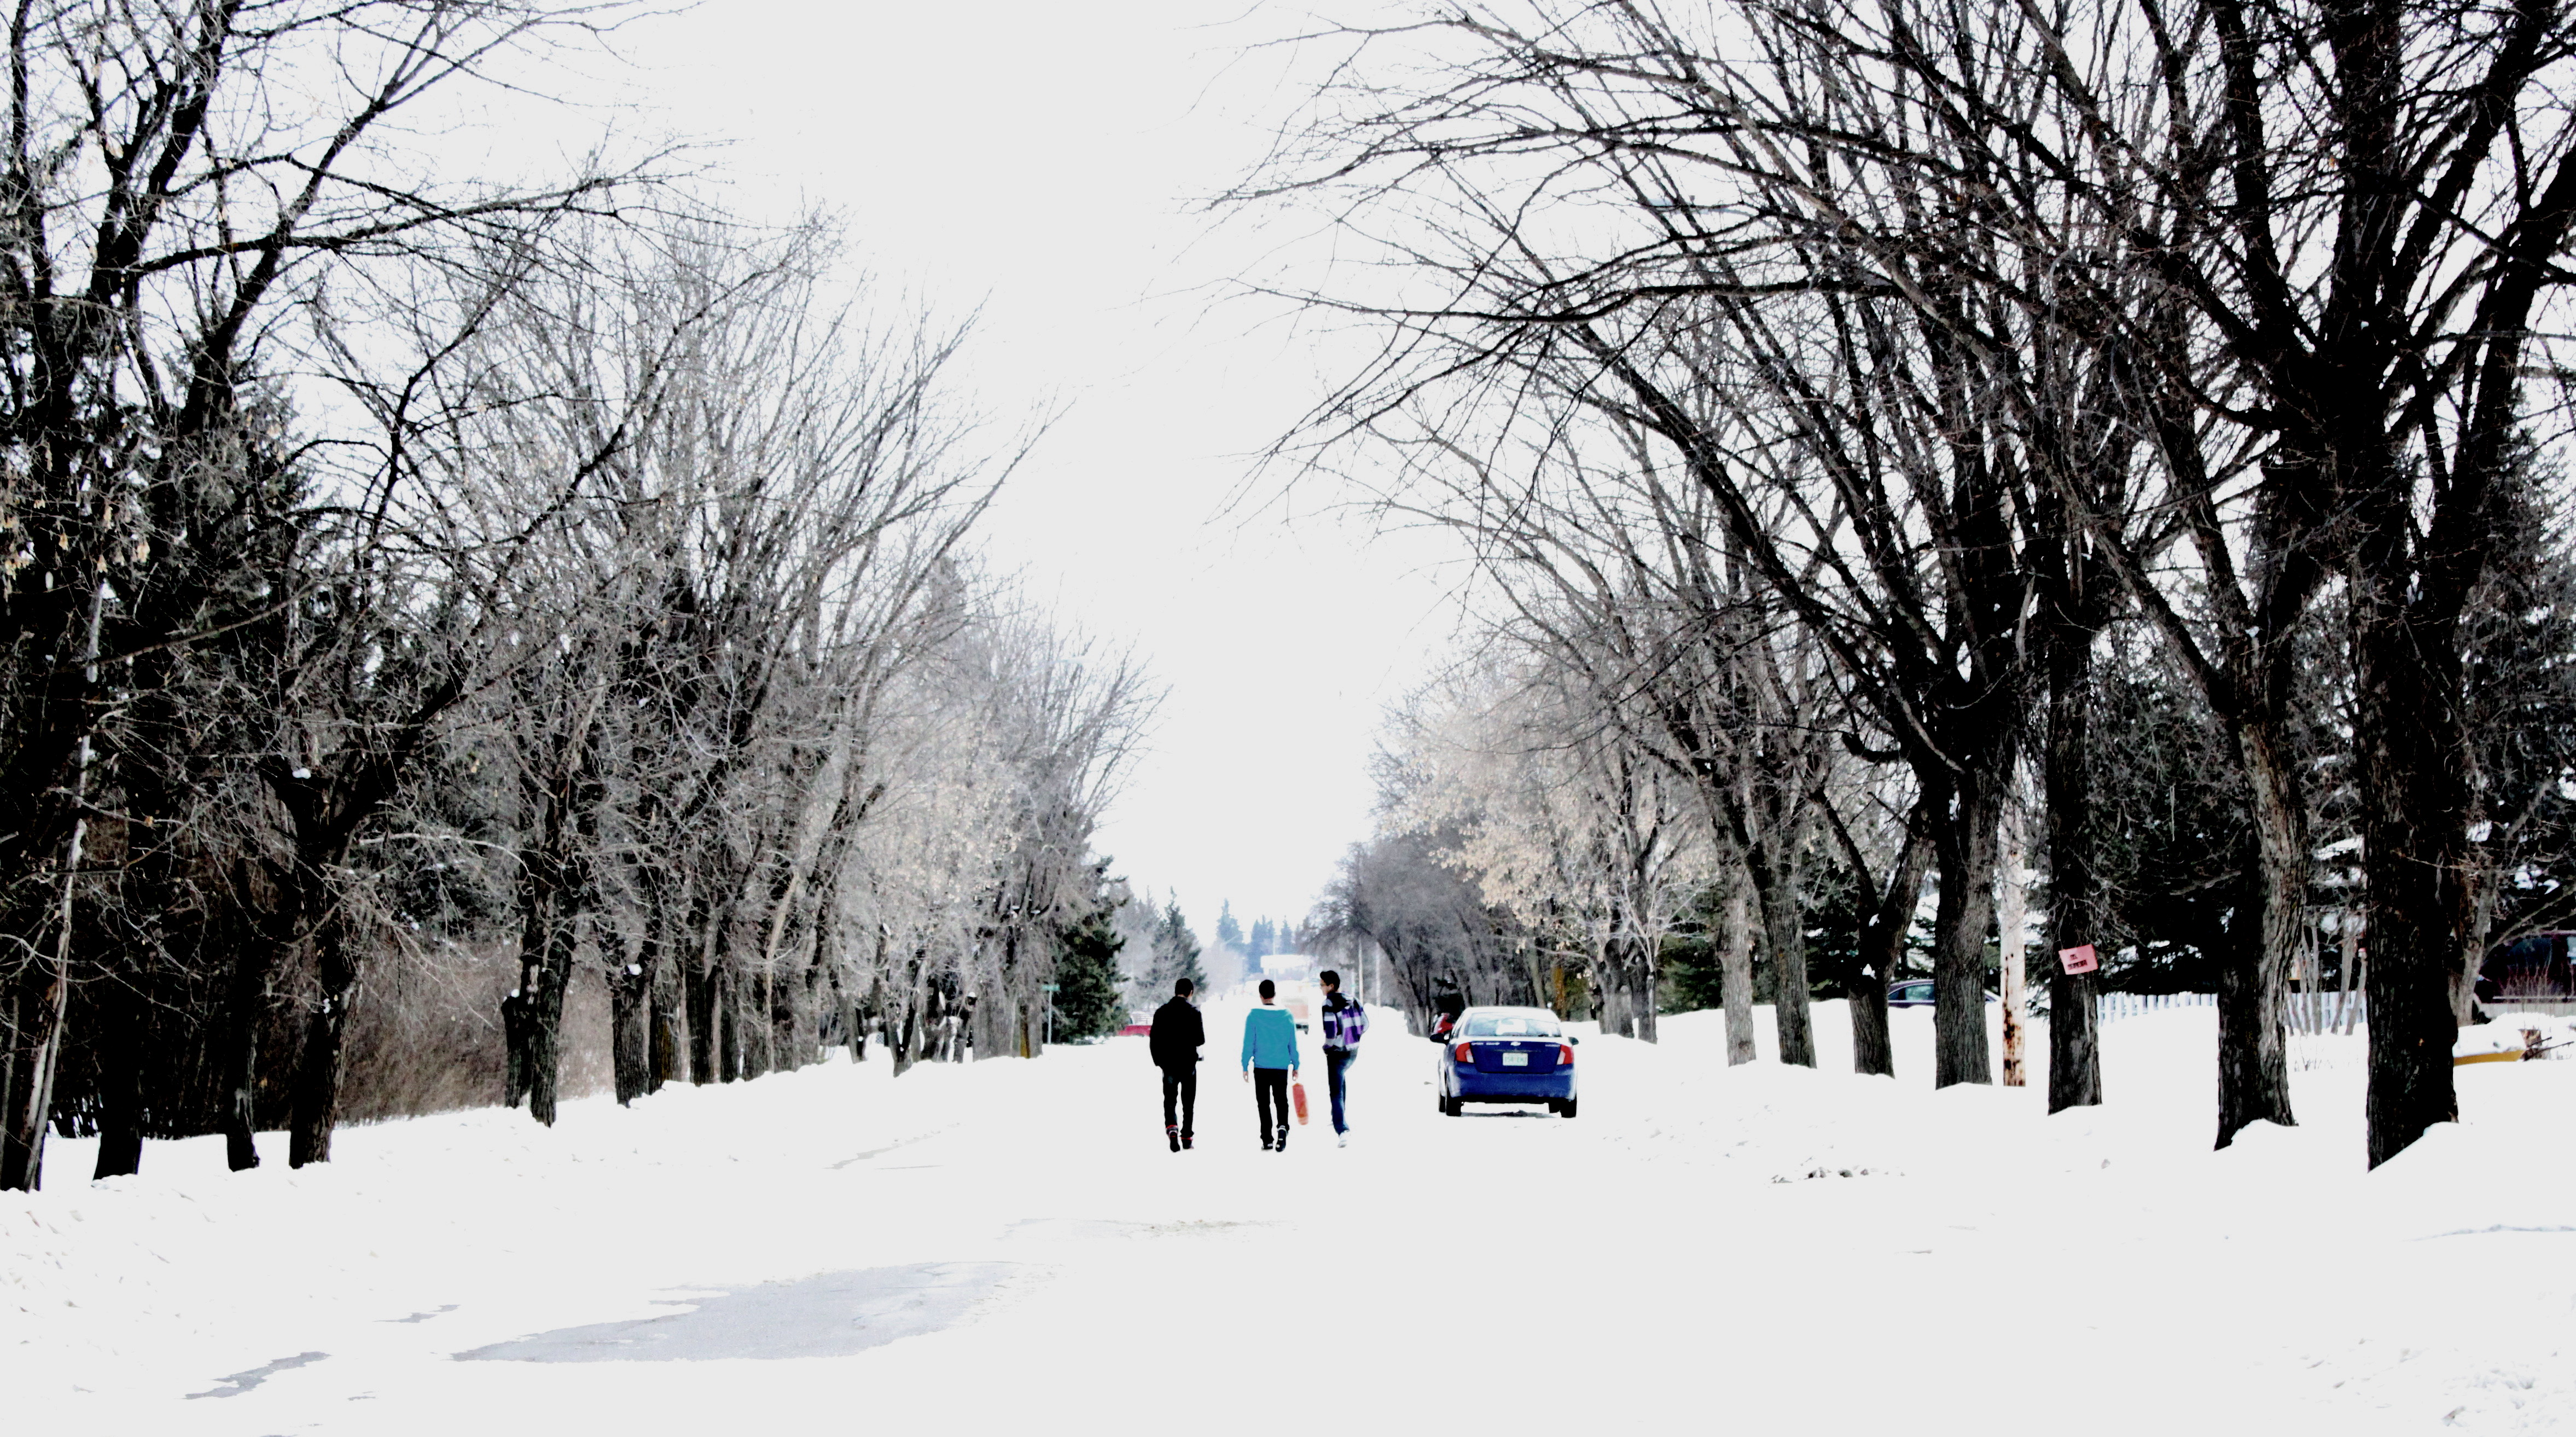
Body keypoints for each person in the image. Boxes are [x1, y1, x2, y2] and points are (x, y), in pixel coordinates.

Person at [1241, 978, 1300, 1151]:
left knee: (1263, 1103)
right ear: (1274, 994)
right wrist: (1296, 1064)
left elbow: (1248, 1044)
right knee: (1281, 1101)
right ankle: (1282, 1129)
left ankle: (1267, 1138)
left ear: (1261, 995)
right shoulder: (1287, 1015)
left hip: (1261, 1067)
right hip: (1281, 1067)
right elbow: (1293, 1043)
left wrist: (1245, 1065)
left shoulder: (1253, 1016)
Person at [1149, 978, 1205, 1151]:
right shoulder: (1194, 1013)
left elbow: (1154, 1040)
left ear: (1175, 991)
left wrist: (1159, 1061)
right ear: (1191, 993)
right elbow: (1200, 1040)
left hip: (1169, 1065)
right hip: (1188, 1065)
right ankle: (1187, 1137)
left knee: (1170, 1100)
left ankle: (1172, 1127)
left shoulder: (1161, 1012)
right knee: (1188, 1103)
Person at [1318, 969, 1367, 1146]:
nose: (1321, 988)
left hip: (1337, 1053)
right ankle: (1339, 1115)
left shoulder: (1328, 1004)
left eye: (1322, 985)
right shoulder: (1352, 999)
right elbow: (1365, 1024)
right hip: (1353, 1051)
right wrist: (1354, 1037)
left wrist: (1327, 1046)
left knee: (1336, 1092)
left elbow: (1331, 1032)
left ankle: (1342, 1130)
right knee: (1341, 1082)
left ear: (1331, 986)